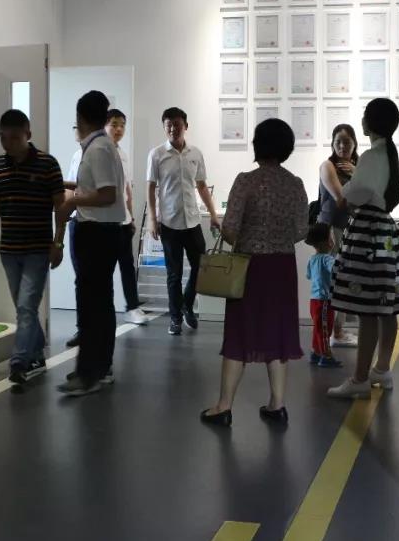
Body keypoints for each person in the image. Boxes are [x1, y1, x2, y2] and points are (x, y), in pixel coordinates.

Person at [200, 119, 308, 426]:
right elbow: (301, 230)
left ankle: (224, 406)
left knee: (240, 331)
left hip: (249, 267)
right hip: (282, 266)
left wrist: (225, 229)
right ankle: (277, 404)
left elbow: (232, 230)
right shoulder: (295, 184)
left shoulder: (246, 181)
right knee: (278, 330)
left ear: (257, 145)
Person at [326, 98, 399, 399]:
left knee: (367, 310)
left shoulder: (373, 155)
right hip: (384, 234)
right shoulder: (388, 153)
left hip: (368, 236)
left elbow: (355, 193)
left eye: (365, 115)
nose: (362, 120)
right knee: (386, 308)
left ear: (371, 122)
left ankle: (360, 377)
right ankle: (382, 369)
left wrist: (349, 187)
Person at [0, 110, 66, 385]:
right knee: (23, 306)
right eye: (3, 138)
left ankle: (18, 361)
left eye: (14, 138)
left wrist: (58, 243)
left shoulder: (47, 164)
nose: (8, 144)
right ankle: (37, 351)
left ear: (28, 135)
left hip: (37, 249)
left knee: (26, 306)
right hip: (9, 249)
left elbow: (61, 207)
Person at [57, 91, 126, 397]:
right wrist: (67, 186)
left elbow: (107, 194)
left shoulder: (98, 148)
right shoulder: (101, 146)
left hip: (96, 233)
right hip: (103, 232)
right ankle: (98, 367)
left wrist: (73, 201)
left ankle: (89, 374)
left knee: (91, 305)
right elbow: (98, 187)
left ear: (80, 118)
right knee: (100, 304)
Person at [147, 108, 221, 336]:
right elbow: (151, 187)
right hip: (169, 222)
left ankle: (187, 305)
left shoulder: (195, 153)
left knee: (200, 268)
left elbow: (202, 185)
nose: (173, 128)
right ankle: (175, 318)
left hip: (192, 221)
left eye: (177, 124)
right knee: (174, 274)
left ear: (185, 126)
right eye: (168, 125)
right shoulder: (156, 154)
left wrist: (214, 215)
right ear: (164, 127)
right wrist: (152, 219)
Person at [317, 124, 360, 348]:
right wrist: (359, 177)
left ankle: (338, 331)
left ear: (354, 143)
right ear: (333, 144)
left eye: (347, 142)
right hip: (332, 230)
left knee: (345, 281)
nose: (342, 146)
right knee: (332, 282)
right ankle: (333, 333)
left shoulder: (357, 167)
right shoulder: (327, 166)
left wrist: (357, 173)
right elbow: (341, 199)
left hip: (351, 229)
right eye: (338, 142)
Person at [106, 109, 150, 326]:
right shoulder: (95, 151)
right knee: (104, 270)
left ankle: (132, 307)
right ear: (104, 125)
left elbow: (127, 190)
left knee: (127, 266)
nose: (119, 129)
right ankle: (104, 312)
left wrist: (131, 218)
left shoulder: (123, 154)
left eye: (122, 125)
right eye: (114, 124)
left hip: (123, 221)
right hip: (104, 223)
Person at [306, 223, 343, 368]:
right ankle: (326, 356)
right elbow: (336, 270)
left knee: (318, 328)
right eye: (331, 237)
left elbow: (309, 275)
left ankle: (316, 353)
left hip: (314, 300)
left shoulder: (312, 259)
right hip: (325, 301)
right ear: (325, 242)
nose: (333, 240)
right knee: (325, 329)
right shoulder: (328, 259)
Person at [63, 129, 84, 348]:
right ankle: (83, 328)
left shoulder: (104, 153)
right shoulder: (77, 155)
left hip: (96, 224)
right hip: (77, 221)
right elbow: (71, 188)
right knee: (80, 279)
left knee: (97, 281)